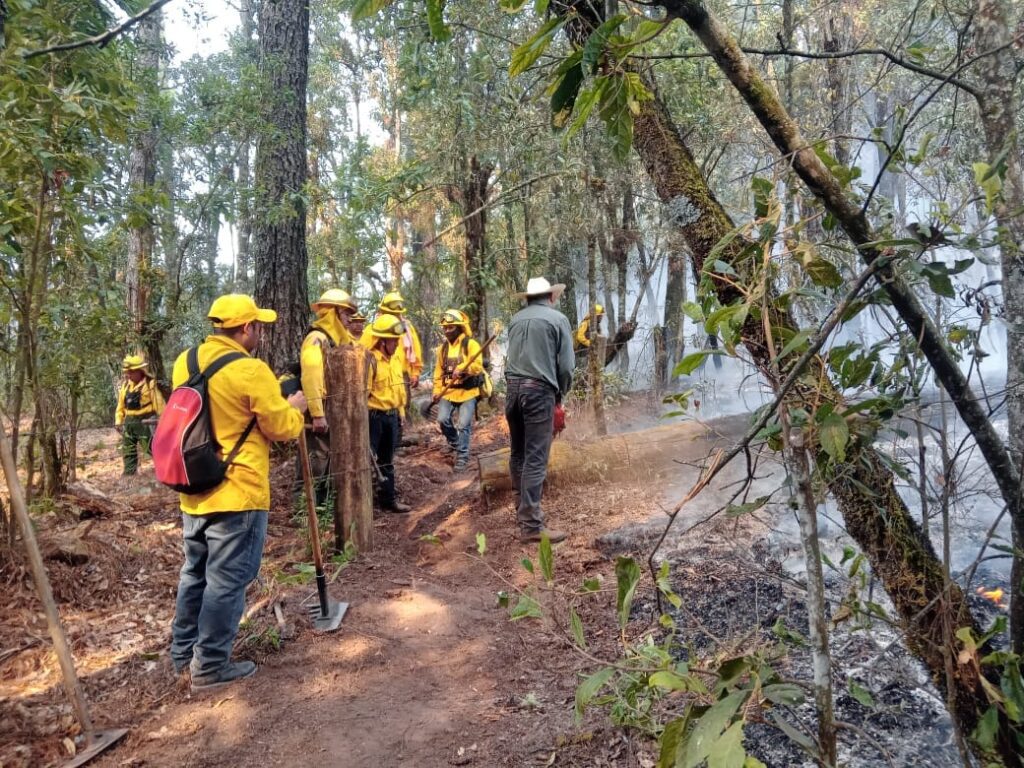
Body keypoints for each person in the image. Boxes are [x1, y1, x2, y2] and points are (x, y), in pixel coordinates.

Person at [169, 294, 307, 692]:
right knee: (227, 580)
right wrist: (293, 406)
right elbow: (281, 427)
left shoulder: (186, 361)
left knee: (194, 573)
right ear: (246, 329)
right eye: (257, 327)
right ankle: (210, 665)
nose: (259, 333)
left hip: (194, 486)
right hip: (238, 492)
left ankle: (183, 654)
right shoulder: (250, 370)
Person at [505, 277, 575, 543]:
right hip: (538, 392)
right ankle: (532, 526)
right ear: (551, 297)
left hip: (512, 391)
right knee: (535, 458)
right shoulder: (558, 320)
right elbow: (566, 366)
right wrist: (561, 394)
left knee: (519, 454)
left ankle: (522, 510)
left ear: (527, 298)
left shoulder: (515, 320)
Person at [298, 289, 357, 506]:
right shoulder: (317, 339)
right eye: (346, 314)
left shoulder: (335, 340)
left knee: (328, 459)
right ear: (334, 313)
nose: (349, 320)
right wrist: (317, 414)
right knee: (316, 460)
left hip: (331, 407)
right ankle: (306, 509)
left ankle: (322, 506)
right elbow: (312, 377)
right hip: (319, 408)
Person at [366, 314, 412, 514]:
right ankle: (366, 505)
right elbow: (363, 393)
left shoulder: (395, 360)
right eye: (393, 340)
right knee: (369, 460)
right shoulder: (371, 361)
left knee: (387, 461)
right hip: (375, 417)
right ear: (382, 340)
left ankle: (388, 500)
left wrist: (401, 412)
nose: (396, 344)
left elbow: (398, 389)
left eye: (397, 340)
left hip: (392, 417)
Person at [432, 309, 484, 473]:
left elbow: (477, 366)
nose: (447, 331)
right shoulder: (443, 349)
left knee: (463, 425)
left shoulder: (470, 344)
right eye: (445, 328)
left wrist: (462, 368)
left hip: (468, 393)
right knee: (442, 419)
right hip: (448, 393)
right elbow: (438, 372)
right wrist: (436, 390)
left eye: (451, 327)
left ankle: (462, 457)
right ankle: (455, 442)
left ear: (459, 327)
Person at [360, 290, 423, 405]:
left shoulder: (407, 328)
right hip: (378, 376)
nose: (395, 317)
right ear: (383, 311)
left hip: (401, 375)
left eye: (397, 314)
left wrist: (415, 372)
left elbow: (416, 350)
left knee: (402, 408)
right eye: (391, 314)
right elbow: (362, 353)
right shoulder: (372, 329)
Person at [115, 354, 166, 476]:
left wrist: (163, 421)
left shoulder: (150, 384)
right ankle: (129, 474)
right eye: (128, 372)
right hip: (129, 423)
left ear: (140, 371)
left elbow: (159, 404)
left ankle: (165, 471)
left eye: (131, 372)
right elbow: (120, 407)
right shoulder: (125, 386)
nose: (129, 375)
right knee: (128, 450)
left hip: (146, 422)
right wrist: (118, 421)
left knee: (152, 448)